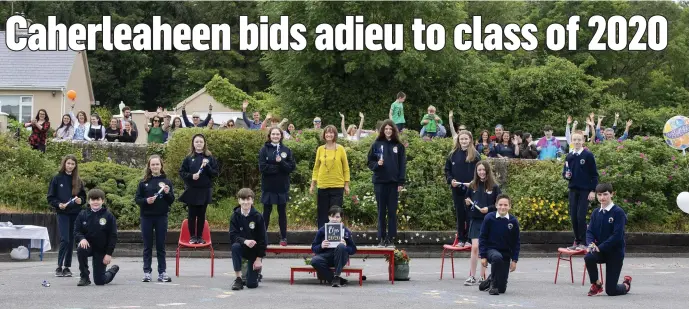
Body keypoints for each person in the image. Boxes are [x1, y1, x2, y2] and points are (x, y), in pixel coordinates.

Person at [584, 183, 632, 296]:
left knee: (611, 291)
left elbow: (617, 236)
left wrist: (599, 247)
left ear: (612, 194)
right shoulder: (596, 213)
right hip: (601, 252)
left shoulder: (618, 213)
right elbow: (590, 231)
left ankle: (626, 284)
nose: (602, 198)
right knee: (588, 257)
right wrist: (591, 244)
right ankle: (597, 284)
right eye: (599, 195)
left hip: (615, 253)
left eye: (605, 194)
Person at [134, 155, 175, 283]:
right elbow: (137, 199)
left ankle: (162, 272)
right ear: (149, 167)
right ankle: (147, 272)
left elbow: (171, 200)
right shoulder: (143, 182)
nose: (155, 167)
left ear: (161, 166)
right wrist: (146, 200)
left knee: (161, 246)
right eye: (153, 165)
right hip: (146, 217)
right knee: (147, 246)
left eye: (157, 164)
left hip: (161, 217)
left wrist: (167, 193)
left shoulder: (167, 182)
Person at [367, 120, 406, 247]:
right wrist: (376, 165)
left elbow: (402, 166)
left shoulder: (398, 146)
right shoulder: (377, 144)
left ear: (394, 130)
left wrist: (401, 182)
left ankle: (391, 238)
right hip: (380, 182)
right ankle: (381, 238)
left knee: (392, 212)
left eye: (390, 129)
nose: (388, 131)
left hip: (393, 183)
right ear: (382, 130)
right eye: (386, 129)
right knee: (381, 211)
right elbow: (370, 162)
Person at [47, 154, 86, 277]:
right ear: (64, 164)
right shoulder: (57, 178)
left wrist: (81, 200)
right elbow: (50, 197)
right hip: (62, 213)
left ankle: (67, 267)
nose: (70, 166)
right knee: (65, 239)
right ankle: (59, 266)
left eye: (72, 164)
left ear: (75, 166)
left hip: (75, 214)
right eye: (68, 163)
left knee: (71, 241)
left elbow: (83, 197)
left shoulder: (78, 181)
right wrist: (58, 204)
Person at [464, 160, 501, 286]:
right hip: (475, 220)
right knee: (475, 247)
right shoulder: (472, 185)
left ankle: (482, 277)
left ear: (487, 171)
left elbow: (498, 205)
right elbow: (467, 205)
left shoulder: (494, 186)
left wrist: (489, 209)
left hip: (488, 221)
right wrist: (468, 204)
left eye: (483, 170)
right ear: (476, 171)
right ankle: (471, 276)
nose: (481, 172)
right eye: (479, 170)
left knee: (483, 249)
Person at [259, 127, 296, 246]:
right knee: (266, 212)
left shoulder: (286, 150)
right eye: (273, 134)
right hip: (268, 186)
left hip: (282, 186)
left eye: (278, 134)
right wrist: (278, 168)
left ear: (281, 136)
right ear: (270, 136)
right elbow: (262, 168)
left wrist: (281, 162)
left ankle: (284, 237)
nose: (275, 136)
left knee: (282, 212)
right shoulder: (264, 150)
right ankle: (262, 237)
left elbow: (291, 168)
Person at [74, 189, 120, 286]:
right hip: (88, 246)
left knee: (100, 281)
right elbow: (77, 231)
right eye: (92, 200)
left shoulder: (108, 216)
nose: (95, 202)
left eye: (98, 199)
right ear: (88, 201)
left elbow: (113, 236)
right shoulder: (82, 214)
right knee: (81, 249)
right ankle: (84, 277)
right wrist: (82, 238)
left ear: (102, 201)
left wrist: (108, 254)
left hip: (101, 250)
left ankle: (112, 270)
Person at [179, 134, 219, 244]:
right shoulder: (188, 158)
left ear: (204, 143)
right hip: (192, 190)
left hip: (205, 190)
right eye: (196, 142)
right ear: (193, 143)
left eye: (201, 142)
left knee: (201, 214)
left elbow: (215, 173)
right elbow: (182, 172)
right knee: (191, 214)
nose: (199, 144)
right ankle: (192, 237)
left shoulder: (210, 158)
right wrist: (192, 176)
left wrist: (208, 167)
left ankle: (200, 236)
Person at [563, 130, 599, 250]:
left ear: (583, 141)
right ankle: (577, 241)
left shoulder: (588, 155)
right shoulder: (569, 156)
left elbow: (594, 175)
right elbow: (565, 172)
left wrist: (593, 190)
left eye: (579, 140)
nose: (577, 142)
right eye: (575, 140)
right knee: (573, 216)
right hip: (573, 190)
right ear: (571, 141)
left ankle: (584, 242)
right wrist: (566, 175)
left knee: (580, 216)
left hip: (585, 190)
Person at [444, 130, 480, 248]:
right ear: (458, 141)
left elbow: (480, 171)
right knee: (460, 214)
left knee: (470, 213)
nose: (464, 141)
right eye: (462, 139)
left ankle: (470, 238)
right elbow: (447, 170)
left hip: (471, 189)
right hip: (457, 189)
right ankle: (461, 238)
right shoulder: (452, 154)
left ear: (470, 140)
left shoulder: (475, 154)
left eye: (466, 139)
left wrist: (474, 182)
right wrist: (451, 180)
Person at [310, 125, 351, 229]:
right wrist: (312, 185)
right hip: (323, 186)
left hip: (337, 186)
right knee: (322, 213)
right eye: (327, 133)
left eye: (331, 132)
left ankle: (335, 239)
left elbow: (346, 168)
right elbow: (316, 168)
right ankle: (322, 238)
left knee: (335, 214)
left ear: (335, 134)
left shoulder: (341, 149)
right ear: (324, 135)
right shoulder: (320, 149)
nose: (329, 134)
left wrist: (346, 185)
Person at [479, 194, 520, 295]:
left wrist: (514, 260)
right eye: (500, 204)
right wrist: (483, 256)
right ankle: (493, 285)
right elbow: (482, 237)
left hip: (505, 254)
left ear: (509, 206)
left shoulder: (513, 221)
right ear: (496, 205)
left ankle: (490, 279)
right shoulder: (489, 218)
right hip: (491, 250)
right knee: (497, 257)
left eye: (505, 205)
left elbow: (516, 242)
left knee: (502, 289)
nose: (503, 207)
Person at [229, 188, 267, 290]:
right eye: (243, 199)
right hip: (241, 247)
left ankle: (256, 273)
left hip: (254, 251)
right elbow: (233, 236)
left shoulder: (258, 216)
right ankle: (238, 279)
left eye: (248, 199)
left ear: (252, 201)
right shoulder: (235, 216)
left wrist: (259, 259)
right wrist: (245, 241)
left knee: (251, 284)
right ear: (239, 201)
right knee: (235, 246)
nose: (246, 202)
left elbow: (263, 239)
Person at [310, 206, 357, 287]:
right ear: (328, 217)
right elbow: (314, 247)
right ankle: (335, 279)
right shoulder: (322, 230)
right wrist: (321, 246)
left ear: (341, 218)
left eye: (337, 217)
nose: (334, 219)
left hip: (341, 257)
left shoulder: (345, 231)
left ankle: (337, 275)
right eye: (332, 216)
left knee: (341, 246)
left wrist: (346, 246)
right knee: (314, 260)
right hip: (327, 257)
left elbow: (353, 249)